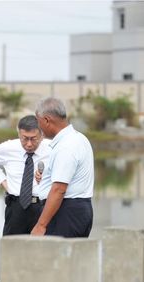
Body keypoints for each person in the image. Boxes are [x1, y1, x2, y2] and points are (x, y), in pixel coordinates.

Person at [31, 97, 94, 238]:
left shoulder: (66, 146)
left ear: (46, 120)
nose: (38, 127)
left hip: (66, 212)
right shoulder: (78, 138)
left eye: (38, 121)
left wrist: (40, 226)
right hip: (77, 210)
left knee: (58, 258)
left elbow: (59, 190)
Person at [0, 115, 51, 235]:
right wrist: (4, 182)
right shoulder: (9, 147)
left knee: (42, 249)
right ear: (19, 134)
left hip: (42, 207)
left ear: (42, 135)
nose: (29, 144)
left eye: (34, 139)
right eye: (24, 139)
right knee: (11, 249)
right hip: (16, 207)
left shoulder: (53, 149)